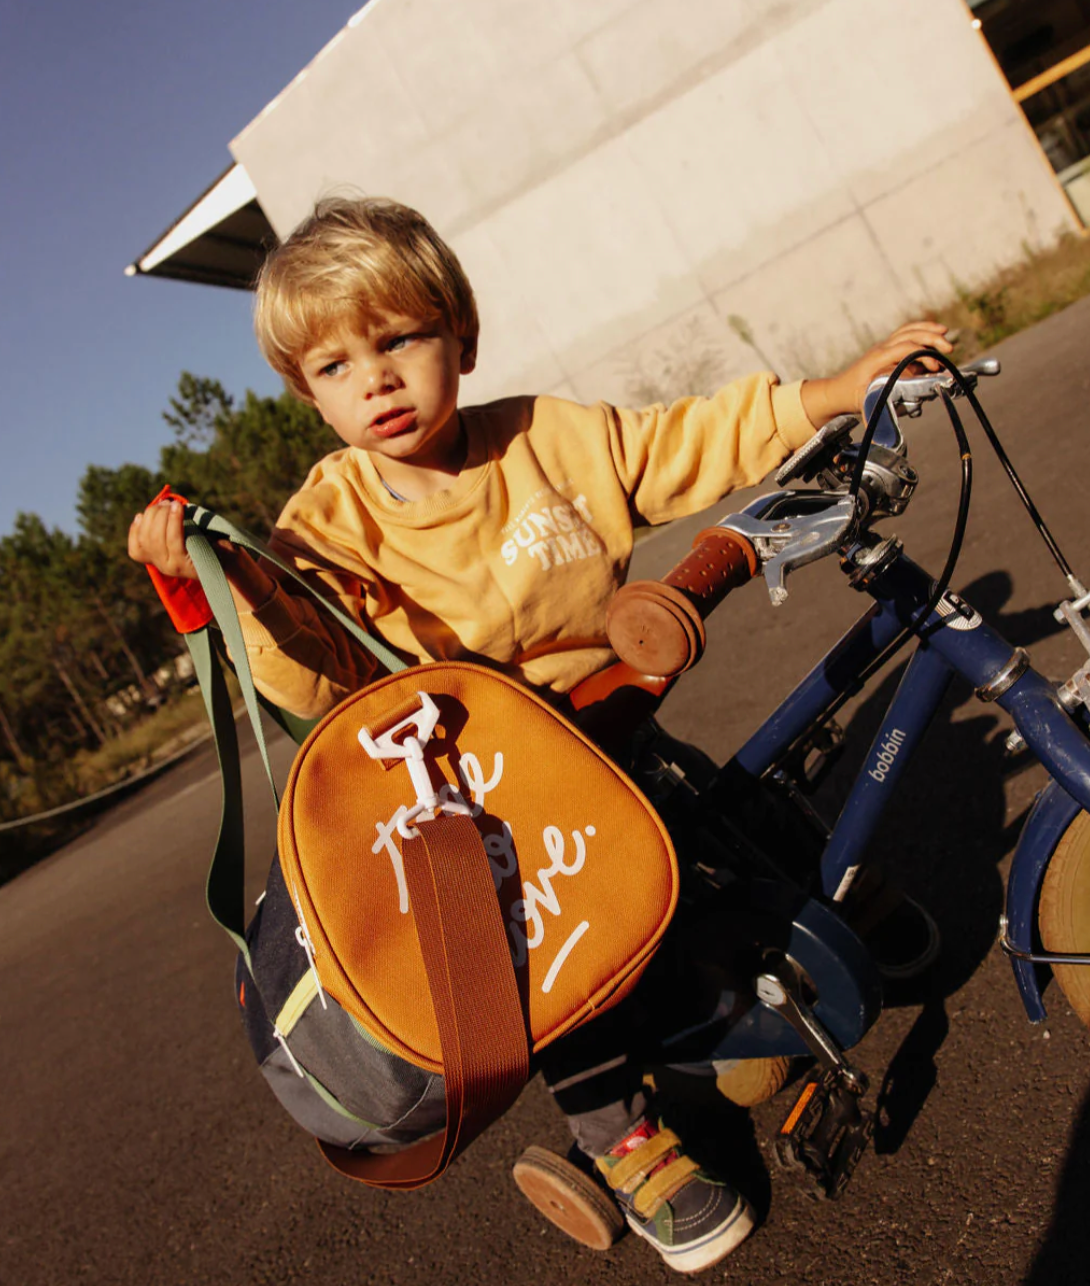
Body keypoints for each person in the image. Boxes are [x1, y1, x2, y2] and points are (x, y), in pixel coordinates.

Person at [129, 196, 950, 1273]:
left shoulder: (544, 439)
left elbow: (679, 442)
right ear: (306, 390)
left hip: (609, 720)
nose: (375, 379)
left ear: (460, 336)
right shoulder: (326, 530)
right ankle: (615, 1132)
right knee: (557, 962)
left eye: (398, 339)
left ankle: (816, 907)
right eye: (334, 365)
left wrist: (833, 394)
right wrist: (225, 593)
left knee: (722, 806)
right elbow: (310, 675)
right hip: (485, 797)